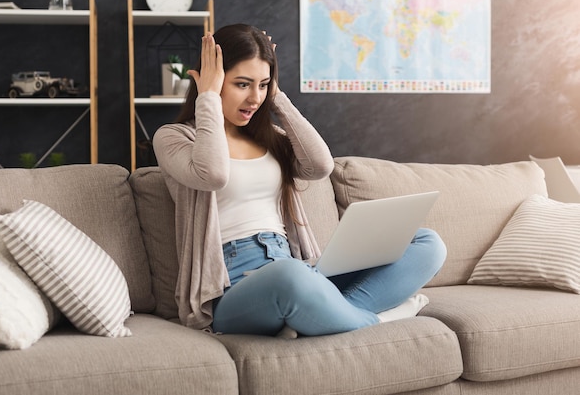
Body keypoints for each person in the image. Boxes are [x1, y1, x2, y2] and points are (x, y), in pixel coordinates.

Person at [153, 24, 446, 337]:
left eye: (263, 84)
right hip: (233, 289)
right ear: (214, 80)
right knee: (289, 276)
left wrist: (278, 98)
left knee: (427, 243)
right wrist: (207, 97)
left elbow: (320, 166)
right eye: (242, 84)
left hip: (298, 269)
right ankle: (380, 319)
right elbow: (212, 173)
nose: (255, 97)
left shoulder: (270, 139)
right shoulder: (175, 138)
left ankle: (319, 313)